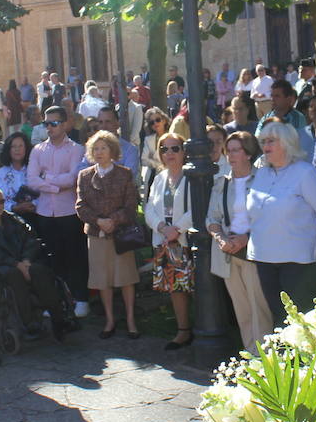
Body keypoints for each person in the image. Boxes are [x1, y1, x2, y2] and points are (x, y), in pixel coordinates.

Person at [247, 120, 316, 318]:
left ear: (287, 143)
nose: (265, 146)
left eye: (271, 141)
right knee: (279, 318)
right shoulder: (261, 173)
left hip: (299, 259)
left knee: (301, 317)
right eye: (263, 141)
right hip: (264, 257)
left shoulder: (305, 172)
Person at [207, 131, 273, 352]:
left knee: (259, 308)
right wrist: (221, 239)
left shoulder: (263, 179)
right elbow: (212, 219)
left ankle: (267, 358)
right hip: (228, 252)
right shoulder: (222, 183)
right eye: (228, 151)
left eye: (236, 150)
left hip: (255, 251)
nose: (231, 155)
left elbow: (270, 217)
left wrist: (247, 238)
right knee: (242, 309)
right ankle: (251, 356)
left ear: (248, 153)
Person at [76, 130, 141, 340]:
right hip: (97, 235)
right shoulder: (85, 175)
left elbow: (131, 205)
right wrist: (99, 221)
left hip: (121, 234)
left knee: (126, 277)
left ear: (112, 150)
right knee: (102, 279)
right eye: (95, 148)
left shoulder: (124, 173)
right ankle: (109, 320)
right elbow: (80, 206)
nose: (99, 152)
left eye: (103, 148)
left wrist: (113, 220)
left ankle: (131, 320)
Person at [0, 186, 69, 339]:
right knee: (14, 275)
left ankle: (58, 318)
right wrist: (17, 264)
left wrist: (26, 261)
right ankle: (28, 323)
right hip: (2, 268)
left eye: (1, 201)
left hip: (25, 262)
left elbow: (32, 240)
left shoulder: (14, 220)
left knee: (39, 271)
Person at [26, 105, 90, 315]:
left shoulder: (76, 149)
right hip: (45, 212)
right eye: (46, 123)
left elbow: (72, 179)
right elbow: (31, 180)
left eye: (54, 123)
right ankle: (58, 302)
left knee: (75, 256)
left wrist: (47, 179)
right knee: (53, 258)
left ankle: (81, 299)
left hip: (69, 212)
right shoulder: (38, 150)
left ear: (64, 124)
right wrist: (55, 186)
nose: (49, 128)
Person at [145, 132, 196, 349]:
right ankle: (183, 331)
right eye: (164, 149)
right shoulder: (159, 178)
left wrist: (177, 229)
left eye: (175, 148)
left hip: (186, 240)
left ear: (184, 152)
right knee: (176, 288)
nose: (169, 153)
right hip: (165, 241)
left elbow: (197, 208)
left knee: (195, 286)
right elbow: (149, 208)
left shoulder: (192, 177)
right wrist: (162, 228)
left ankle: (202, 327)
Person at [0, 132, 36, 215]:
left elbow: (43, 194)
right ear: (8, 150)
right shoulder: (0, 173)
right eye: (13, 146)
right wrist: (14, 207)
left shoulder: (35, 169)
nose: (17, 149)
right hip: (11, 216)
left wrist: (33, 205)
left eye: (21, 146)